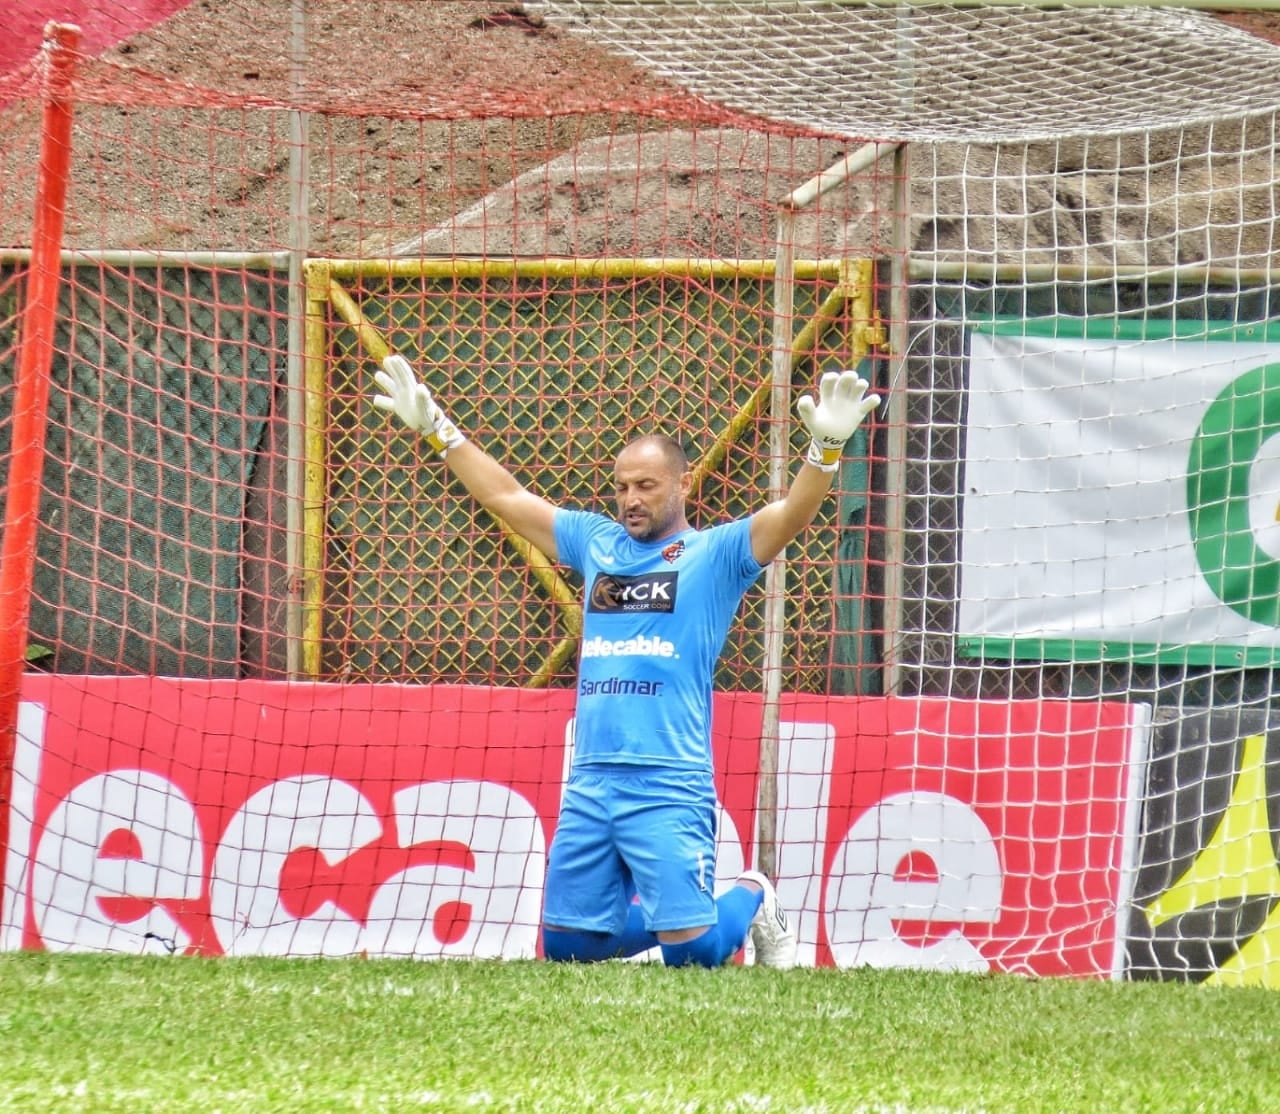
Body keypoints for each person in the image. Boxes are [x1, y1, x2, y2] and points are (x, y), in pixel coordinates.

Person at [371, 354, 880, 968]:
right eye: (622, 486)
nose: (631, 499)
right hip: (590, 778)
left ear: (683, 484)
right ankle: (676, 922)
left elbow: (792, 516)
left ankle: (753, 895)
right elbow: (506, 496)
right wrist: (440, 432)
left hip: (669, 781)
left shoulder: (715, 555)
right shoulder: (596, 542)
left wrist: (824, 449)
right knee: (568, 947)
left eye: (646, 485)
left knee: (691, 957)